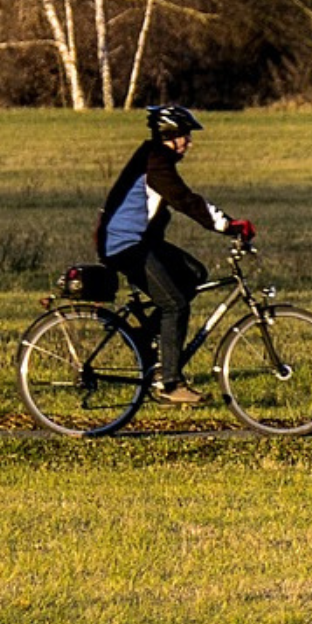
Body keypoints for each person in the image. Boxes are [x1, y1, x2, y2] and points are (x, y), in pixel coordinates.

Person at [97, 105, 255, 405]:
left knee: (194, 274)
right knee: (175, 305)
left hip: (140, 241)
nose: (189, 143)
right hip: (125, 245)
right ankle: (169, 384)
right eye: (185, 136)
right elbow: (186, 200)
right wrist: (229, 225)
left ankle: (147, 342)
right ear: (169, 135)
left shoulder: (155, 159)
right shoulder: (156, 164)